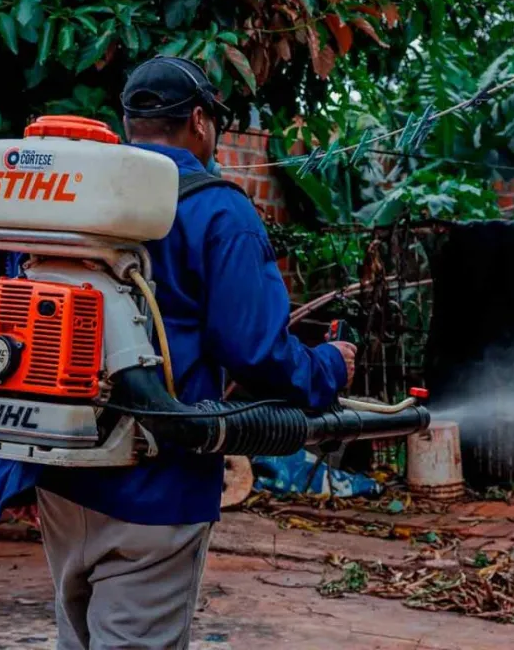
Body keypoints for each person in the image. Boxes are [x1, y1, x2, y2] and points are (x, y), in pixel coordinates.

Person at [21, 56, 355, 649]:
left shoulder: (71, 197)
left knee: (78, 636)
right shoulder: (218, 209)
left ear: (129, 122)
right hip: (157, 481)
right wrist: (329, 366)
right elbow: (255, 351)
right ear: (200, 121)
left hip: (59, 471)